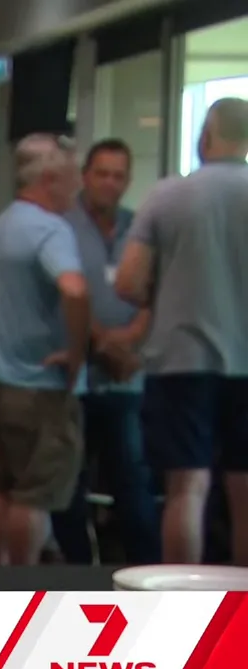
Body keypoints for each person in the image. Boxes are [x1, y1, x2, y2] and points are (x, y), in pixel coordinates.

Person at [116, 98, 248, 565]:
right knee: (244, 493)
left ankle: (181, 607)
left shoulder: (169, 196)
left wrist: (170, 290)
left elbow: (129, 282)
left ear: (205, 137)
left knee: (186, 489)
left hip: (182, 360)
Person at [0, 134, 90, 566]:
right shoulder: (52, 230)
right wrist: (76, 352)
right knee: (35, 494)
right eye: (73, 179)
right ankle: (23, 586)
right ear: (50, 179)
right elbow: (73, 290)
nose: (78, 189)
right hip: (38, 383)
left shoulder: (1, 225)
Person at [50, 138, 159, 566]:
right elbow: (64, 294)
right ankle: (79, 573)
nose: (110, 183)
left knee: (132, 480)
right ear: (85, 176)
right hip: (76, 376)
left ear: (128, 180)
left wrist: (127, 341)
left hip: (128, 376)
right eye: (102, 173)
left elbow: (155, 292)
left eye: (119, 175)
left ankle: (145, 574)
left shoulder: (142, 228)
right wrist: (101, 342)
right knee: (70, 484)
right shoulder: (61, 225)